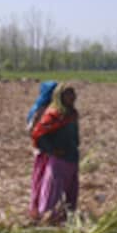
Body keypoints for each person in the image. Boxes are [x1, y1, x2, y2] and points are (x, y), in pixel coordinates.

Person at [28, 82, 80, 224]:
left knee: (71, 190)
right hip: (59, 159)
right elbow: (38, 134)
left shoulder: (72, 114)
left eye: (73, 93)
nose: (72, 97)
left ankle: (66, 218)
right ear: (59, 96)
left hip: (72, 157)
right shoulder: (53, 114)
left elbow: (75, 136)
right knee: (52, 190)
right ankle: (47, 218)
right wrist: (52, 150)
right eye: (68, 94)